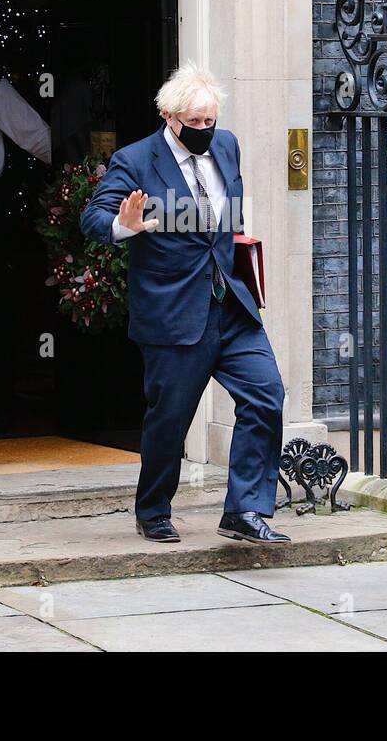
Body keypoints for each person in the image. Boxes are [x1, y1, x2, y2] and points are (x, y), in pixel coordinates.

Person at [80, 62, 289, 545]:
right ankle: (153, 509)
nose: (203, 130)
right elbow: (93, 219)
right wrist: (124, 225)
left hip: (232, 303)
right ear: (169, 117)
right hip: (173, 312)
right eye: (193, 123)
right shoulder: (136, 161)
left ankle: (245, 510)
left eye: (209, 121)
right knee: (169, 419)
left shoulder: (228, 146)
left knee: (266, 395)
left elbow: (226, 220)